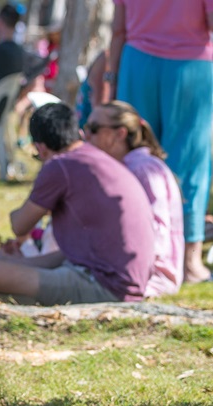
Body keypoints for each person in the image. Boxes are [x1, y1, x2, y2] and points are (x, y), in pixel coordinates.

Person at [0, 103, 155, 305]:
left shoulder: (60, 165)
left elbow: (19, 225)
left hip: (106, 287)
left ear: (40, 148)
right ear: (78, 132)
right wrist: (17, 261)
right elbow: (67, 255)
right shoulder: (98, 158)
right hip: (128, 282)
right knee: (1, 267)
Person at [106, 0, 212, 283]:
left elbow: (118, 30)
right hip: (191, 66)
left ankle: (133, 249)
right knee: (188, 163)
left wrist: (112, 76)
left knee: (134, 158)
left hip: (136, 64)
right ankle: (188, 260)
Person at [85, 101, 184, 297]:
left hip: (153, 276)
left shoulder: (143, 169)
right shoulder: (126, 166)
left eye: (93, 128)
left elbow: (158, 233)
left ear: (120, 134)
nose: (86, 135)